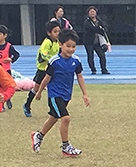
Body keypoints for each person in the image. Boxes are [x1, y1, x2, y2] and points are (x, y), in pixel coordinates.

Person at [31, 28, 90, 156]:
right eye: (68, 46)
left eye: (73, 46)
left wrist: (85, 94)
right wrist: (40, 91)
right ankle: (66, 147)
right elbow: (46, 78)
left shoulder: (76, 61)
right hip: (54, 95)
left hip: (66, 95)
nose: (71, 49)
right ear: (60, 45)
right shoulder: (54, 61)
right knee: (66, 118)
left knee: (54, 118)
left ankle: (38, 136)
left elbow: (79, 76)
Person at [23, 21, 61, 117]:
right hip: (43, 69)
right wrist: (52, 60)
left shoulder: (57, 42)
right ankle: (27, 105)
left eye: (58, 32)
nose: (57, 34)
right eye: (55, 32)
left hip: (52, 69)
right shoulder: (47, 42)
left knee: (53, 87)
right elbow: (44, 55)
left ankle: (53, 108)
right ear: (49, 33)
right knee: (36, 87)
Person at [83, 6, 110, 75]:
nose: (92, 13)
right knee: (90, 56)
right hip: (89, 42)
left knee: (102, 55)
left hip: (98, 42)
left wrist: (99, 29)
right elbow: (91, 28)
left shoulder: (99, 21)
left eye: (93, 11)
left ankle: (104, 69)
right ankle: (93, 69)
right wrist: (98, 28)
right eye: (91, 11)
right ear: (88, 13)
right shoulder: (87, 21)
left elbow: (104, 28)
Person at [0, 25, 19, 109]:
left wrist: (10, 59)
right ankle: (2, 105)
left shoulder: (9, 46)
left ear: (5, 35)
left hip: (6, 70)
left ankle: (7, 99)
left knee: (7, 87)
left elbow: (16, 55)